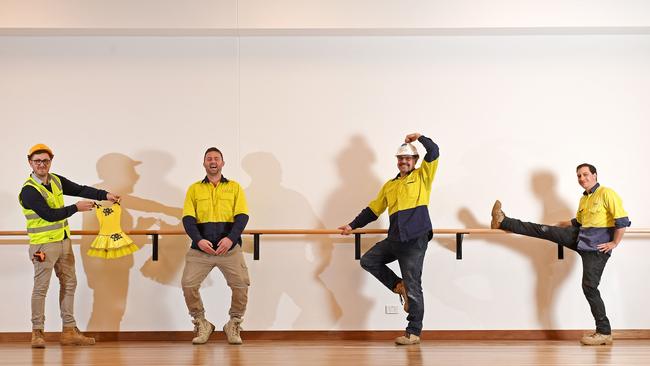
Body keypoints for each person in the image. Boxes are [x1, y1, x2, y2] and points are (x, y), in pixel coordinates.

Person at [491, 163, 630, 346]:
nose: (582, 178)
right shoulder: (584, 199)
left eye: (585, 174)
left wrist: (614, 243)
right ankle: (502, 221)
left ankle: (604, 332)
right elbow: (579, 221)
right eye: (579, 176)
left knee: (589, 287)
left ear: (595, 175)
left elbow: (622, 221)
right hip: (580, 237)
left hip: (596, 250)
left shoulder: (607, 193)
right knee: (544, 229)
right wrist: (563, 224)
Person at [338, 132, 440, 345]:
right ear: (397, 161)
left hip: (414, 240)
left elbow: (434, 151)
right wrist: (352, 225)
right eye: (400, 158)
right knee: (368, 260)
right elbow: (373, 210)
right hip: (395, 239)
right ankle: (397, 285)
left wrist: (420, 137)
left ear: (415, 161)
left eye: (408, 158)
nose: (403, 161)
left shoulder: (423, 176)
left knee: (414, 285)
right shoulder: (389, 186)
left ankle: (413, 333)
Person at [19, 143, 120, 348]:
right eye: (37, 161)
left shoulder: (55, 180)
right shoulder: (29, 191)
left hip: (64, 242)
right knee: (41, 288)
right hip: (43, 247)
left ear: (51, 161)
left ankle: (68, 331)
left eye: (45, 160)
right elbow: (48, 215)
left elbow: (80, 189)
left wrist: (105, 195)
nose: (41, 164)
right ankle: (37, 333)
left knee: (69, 284)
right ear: (30, 162)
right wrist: (76, 208)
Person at [181, 147, 250, 345]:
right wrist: (199, 240)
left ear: (222, 163)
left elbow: (242, 216)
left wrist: (230, 239)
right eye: (209, 158)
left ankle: (234, 323)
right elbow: (188, 218)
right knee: (188, 285)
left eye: (216, 158)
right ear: (204, 163)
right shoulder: (194, 189)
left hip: (230, 249)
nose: (213, 161)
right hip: (200, 249)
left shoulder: (235, 187)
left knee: (241, 285)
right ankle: (201, 322)